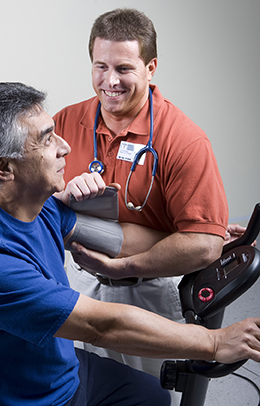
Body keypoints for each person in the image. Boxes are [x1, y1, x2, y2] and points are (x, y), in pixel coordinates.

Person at [0, 82, 260, 405]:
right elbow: (101, 326)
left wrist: (202, 239)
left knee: (152, 396)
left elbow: (116, 238)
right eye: (46, 139)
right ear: (4, 167)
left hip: (61, 366)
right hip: (23, 396)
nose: (65, 148)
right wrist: (214, 342)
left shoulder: (34, 201)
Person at [53, 9, 245, 404]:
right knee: (76, 389)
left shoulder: (184, 140)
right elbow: (32, 204)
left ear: (150, 67)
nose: (110, 81)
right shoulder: (64, 124)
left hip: (147, 293)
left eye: (124, 68)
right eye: (100, 66)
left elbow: (206, 246)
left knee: (143, 396)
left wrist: (126, 266)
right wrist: (65, 194)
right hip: (78, 284)